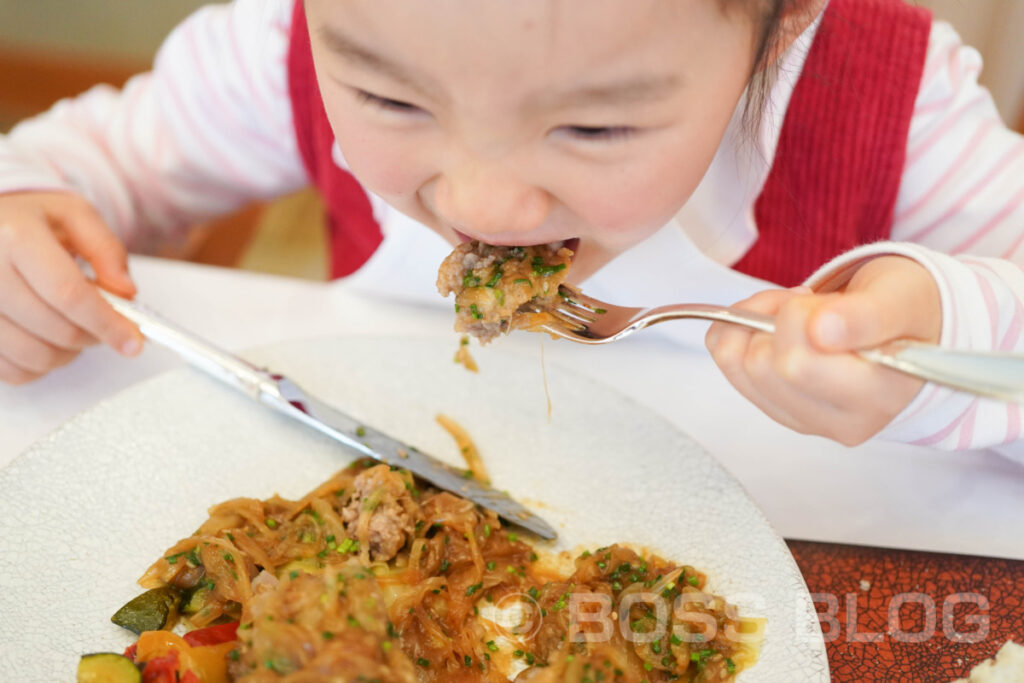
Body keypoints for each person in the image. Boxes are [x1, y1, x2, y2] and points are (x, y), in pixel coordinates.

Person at [0, 0, 1022, 458]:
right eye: (389, 99)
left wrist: (944, 338)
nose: (483, 208)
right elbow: (82, 161)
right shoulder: (276, 43)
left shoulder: (901, 107)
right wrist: (22, 222)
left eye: (593, 125)